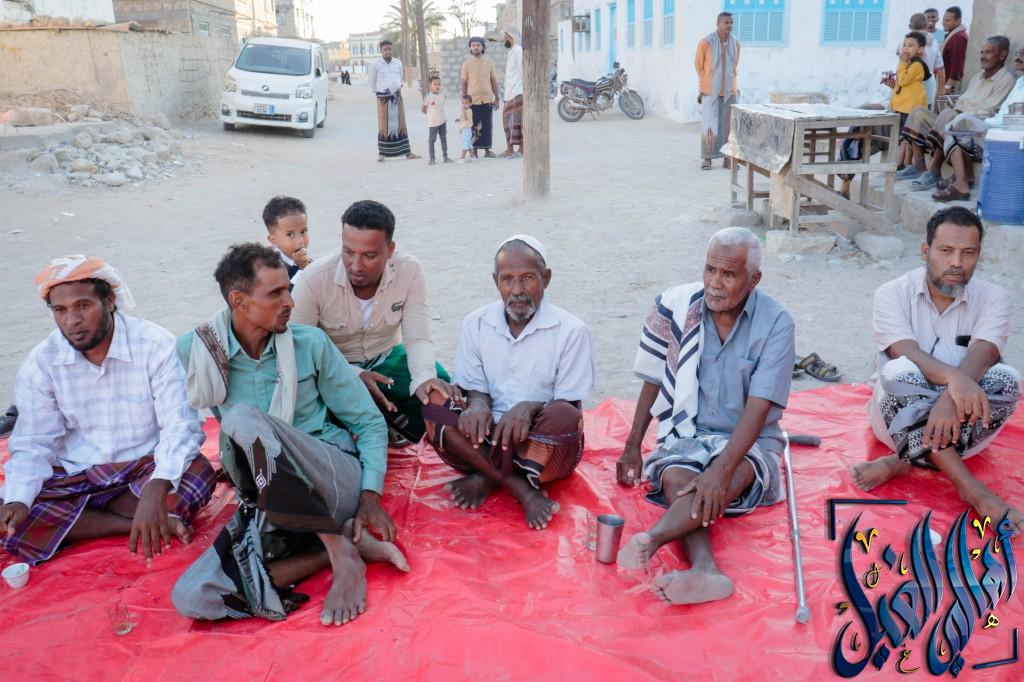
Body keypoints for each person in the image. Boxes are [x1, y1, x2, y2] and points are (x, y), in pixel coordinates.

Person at [171, 243, 408, 627]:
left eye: (289, 290)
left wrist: (370, 495)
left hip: (330, 476)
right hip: (272, 497)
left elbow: (368, 422)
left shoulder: (309, 343)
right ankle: (337, 548)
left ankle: (338, 551)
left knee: (242, 420)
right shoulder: (197, 351)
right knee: (193, 596)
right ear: (239, 301)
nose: (290, 303)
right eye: (275, 293)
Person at [616, 228, 794, 605]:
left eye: (728, 274)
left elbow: (759, 407)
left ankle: (653, 539)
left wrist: (721, 469)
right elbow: (653, 377)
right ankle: (705, 570)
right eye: (710, 269)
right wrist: (632, 445)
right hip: (689, 433)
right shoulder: (678, 307)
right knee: (677, 478)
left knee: (732, 476)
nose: (715, 283)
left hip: (748, 441)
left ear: (754, 279)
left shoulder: (776, 323)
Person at [0, 256, 215, 565]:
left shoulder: (155, 345)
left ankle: (80, 523)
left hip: (143, 466)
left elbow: (180, 425)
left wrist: (157, 486)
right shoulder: (41, 363)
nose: (72, 320)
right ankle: (131, 524)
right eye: (60, 310)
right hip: (76, 473)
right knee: (11, 510)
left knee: (196, 474)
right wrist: (19, 500)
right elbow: (34, 442)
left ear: (110, 301)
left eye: (83, 306)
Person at [851, 207, 1022, 532]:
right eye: (946, 251)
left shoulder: (995, 298)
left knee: (1009, 379)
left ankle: (903, 461)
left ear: (978, 255)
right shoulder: (891, 293)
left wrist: (948, 401)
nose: (956, 262)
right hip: (895, 420)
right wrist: (955, 381)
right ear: (925, 251)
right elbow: (905, 350)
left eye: (968, 253)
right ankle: (973, 491)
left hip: (961, 423)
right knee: (900, 372)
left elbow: (984, 353)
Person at [422, 235, 595, 530]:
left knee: (566, 416)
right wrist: (478, 404)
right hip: (484, 438)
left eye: (528, 278)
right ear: (495, 281)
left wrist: (530, 408)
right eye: (507, 280)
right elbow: (473, 386)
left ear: (546, 278)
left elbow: (569, 402)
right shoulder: (475, 323)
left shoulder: (572, 331)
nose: (517, 290)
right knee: (433, 403)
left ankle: (488, 475)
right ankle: (522, 489)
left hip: (536, 444)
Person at [291, 200, 452, 447]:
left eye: (369, 255)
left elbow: (418, 337)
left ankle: (391, 425)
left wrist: (423, 379)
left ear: (390, 250)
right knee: (308, 403)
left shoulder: (409, 271)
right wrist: (353, 375)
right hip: (332, 370)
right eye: (348, 252)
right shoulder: (314, 280)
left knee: (438, 384)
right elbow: (299, 350)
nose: (356, 266)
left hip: (387, 361)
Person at [898, 36, 1014, 190]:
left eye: (988, 52)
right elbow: (961, 102)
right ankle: (919, 165)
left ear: (1002, 54)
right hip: (956, 119)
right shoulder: (977, 77)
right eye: (982, 52)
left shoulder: (1006, 80)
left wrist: (955, 115)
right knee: (918, 112)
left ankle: (934, 170)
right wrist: (953, 113)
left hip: (974, 128)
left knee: (949, 115)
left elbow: (988, 111)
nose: (983, 56)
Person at [932, 46, 1024, 202]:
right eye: (1019, 54)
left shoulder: (1007, 80)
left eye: (1023, 55)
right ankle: (962, 180)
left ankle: (960, 183)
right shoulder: (1020, 81)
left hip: (1011, 134)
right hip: (997, 125)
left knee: (959, 122)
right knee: (955, 124)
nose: (1018, 58)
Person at [695, 11, 740, 171]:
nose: (729, 25)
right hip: (710, 91)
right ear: (718, 24)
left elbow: (734, 65)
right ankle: (707, 158)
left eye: (731, 22)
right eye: (726, 22)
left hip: (730, 91)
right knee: (709, 124)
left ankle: (728, 158)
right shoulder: (705, 43)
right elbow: (698, 66)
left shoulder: (735, 43)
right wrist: (706, 84)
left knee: (730, 126)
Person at [369, 40, 419, 162]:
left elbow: (400, 78)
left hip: (397, 97)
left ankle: (407, 152)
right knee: (384, 126)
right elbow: (372, 82)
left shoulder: (398, 63)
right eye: (385, 49)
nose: (388, 51)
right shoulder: (376, 65)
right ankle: (382, 154)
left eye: (389, 49)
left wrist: (396, 88)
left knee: (401, 124)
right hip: (383, 100)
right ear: (381, 51)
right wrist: (380, 94)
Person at [460, 36, 499, 159]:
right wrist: (464, 101)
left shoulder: (489, 62)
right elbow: (464, 83)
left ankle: (487, 150)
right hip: (472, 101)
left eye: (478, 45)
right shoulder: (466, 64)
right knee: (474, 125)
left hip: (487, 99)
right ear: (470, 48)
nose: (475, 47)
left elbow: (493, 81)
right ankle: (475, 151)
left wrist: (497, 98)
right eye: (473, 45)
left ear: (483, 47)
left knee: (487, 126)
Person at [263, 195, 311, 286]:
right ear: (273, 240)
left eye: (303, 231)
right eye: (290, 235)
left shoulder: (305, 260)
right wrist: (302, 269)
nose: (300, 241)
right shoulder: (271, 268)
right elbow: (287, 293)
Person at [908, 12, 946, 106]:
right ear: (926, 25)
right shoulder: (934, 42)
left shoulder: (906, 43)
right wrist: (941, 89)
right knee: (925, 112)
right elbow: (940, 68)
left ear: (909, 26)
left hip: (910, 87)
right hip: (928, 87)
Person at [501, 27, 524, 158]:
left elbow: (522, 70)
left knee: (518, 121)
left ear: (513, 37)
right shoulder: (511, 51)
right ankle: (509, 149)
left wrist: (523, 89)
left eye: (507, 38)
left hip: (518, 91)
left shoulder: (518, 50)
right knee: (506, 120)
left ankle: (522, 149)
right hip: (509, 92)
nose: (505, 40)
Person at [421, 76, 451, 165]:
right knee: (432, 140)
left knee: (443, 139)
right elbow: (423, 109)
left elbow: (441, 106)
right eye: (435, 84)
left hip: (442, 121)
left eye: (439, 84)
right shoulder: (428, 96)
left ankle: (445, 157)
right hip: (433, 123)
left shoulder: (442, 95)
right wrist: (431, 115)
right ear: (430, 85)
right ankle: (432, 159)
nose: (437, 86)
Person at [940, 6, 968, 96]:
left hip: (949, 85)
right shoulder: (952, 35)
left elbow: (958, 64)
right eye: (944, 20)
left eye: (948, 20)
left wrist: (948, 86)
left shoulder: (959, 37)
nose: (944, 23)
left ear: (958, 20)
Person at [457, 94, 474, 163]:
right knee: (469, 144)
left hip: (466, 130)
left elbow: (466, 118)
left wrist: (463, 111)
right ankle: (472, 157)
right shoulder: (465, 111)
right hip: (465, 129)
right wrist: (459, 119)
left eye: (466, 103)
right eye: (463, 103)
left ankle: (462, 158)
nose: (464, 105)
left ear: (470, 104)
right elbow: (463, 119)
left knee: (464, 144)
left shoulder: (469, 110)